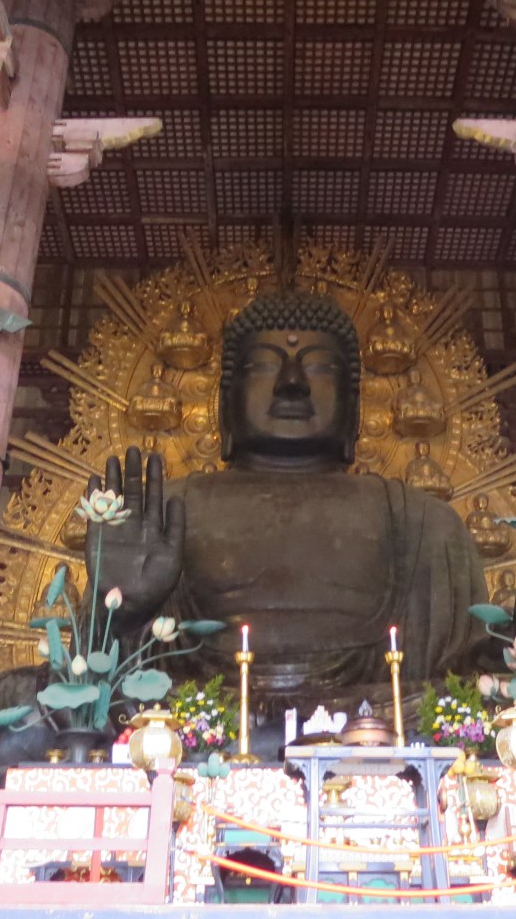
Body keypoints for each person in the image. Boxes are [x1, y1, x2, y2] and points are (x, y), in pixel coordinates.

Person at [86, 292, 486, 698]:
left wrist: (509, 652)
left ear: (354, 404)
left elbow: (465, 675)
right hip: (191, 730)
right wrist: (120, 614)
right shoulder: (164, 514)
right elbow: (95, 678)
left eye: (320, 367)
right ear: (226, 400)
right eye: (262, 365)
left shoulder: (423, 524)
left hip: (376, 726)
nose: (291, 383)